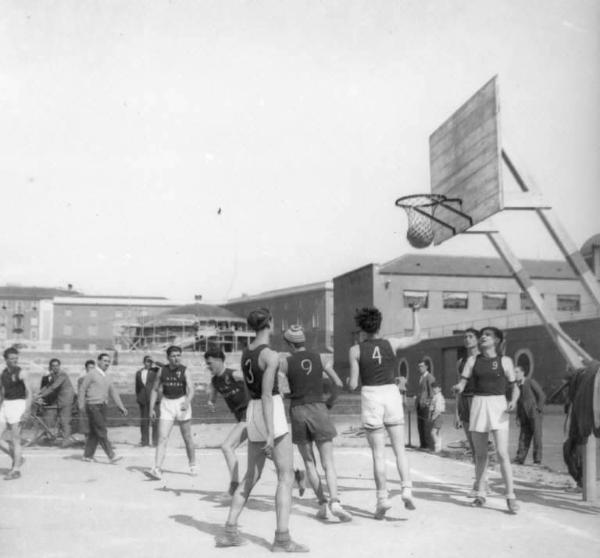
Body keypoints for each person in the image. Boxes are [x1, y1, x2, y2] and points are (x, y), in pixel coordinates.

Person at [216, 308, 308, 552]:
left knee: (250, 478)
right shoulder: (270, 355)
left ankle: (229, 532)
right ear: (270, 323)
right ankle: (282, 539)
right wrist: (270, 432)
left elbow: (254, 390)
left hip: (252, 411)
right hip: (270, 412)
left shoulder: (247, 352)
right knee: (286, 477)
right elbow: (268, 394)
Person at [348, 305, 422, 519]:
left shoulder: (355, 350)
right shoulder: (392, 343)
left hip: (371, 395)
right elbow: (417, 336)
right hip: (391, 393)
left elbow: (353, 384)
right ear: (379, 325)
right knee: (400, 450)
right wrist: (415, 312)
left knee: (378, 454)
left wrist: (348, 382)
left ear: (361, 328)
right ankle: (406, 489)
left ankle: (382, 499)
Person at [280, 324, 352, 522]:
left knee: (309, 461)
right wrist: (329, 402)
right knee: (328, 462)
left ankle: (322, 504)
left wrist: (289, 394)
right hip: (319, 408)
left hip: (297, 409)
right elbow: (338, 384)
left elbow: (278, 390)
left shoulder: (285, 363)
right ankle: (335, 501)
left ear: (289, 343)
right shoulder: (321, 358)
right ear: (304, 341)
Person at [454, 327, 520, 513]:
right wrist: (458, 387)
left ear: (497, 340)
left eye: (488, 335)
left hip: (498, 405)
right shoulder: (472, 360)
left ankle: (510, 496)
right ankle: (481, 493)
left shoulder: (505, 361)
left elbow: (515, 388)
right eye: (482, 334)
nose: (483, 337)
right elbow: (463, 382)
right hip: (478, 404)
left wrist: (513, 401)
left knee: (502, 453)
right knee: (480, 454)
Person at [146, 346, 196, 480]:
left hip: (181, 403)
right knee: (162, 437)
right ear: (168, 358)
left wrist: (187, 402)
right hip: (167, 404)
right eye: (173, 356)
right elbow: (155, 390)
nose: (176, 358)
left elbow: (191, 389)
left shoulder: (185, 371)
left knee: (187, 437)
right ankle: (157, 468)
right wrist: (151, 409)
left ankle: (192, 464)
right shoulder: (162, 371)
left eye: (178, 355)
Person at [205, 346, 249, 496]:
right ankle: (297, 473)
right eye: (207, 364)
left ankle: (234, 485)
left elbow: (256, 382)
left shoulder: (235, 374)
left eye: (210, 363)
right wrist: (211, 402)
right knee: (268, 453)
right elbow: (214, 395)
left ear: (219, 361)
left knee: (227, 446)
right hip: (241, 418)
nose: (208, 367)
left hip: (250, 415)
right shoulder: (215, 381)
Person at [78, 353, 128, 463]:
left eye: (108, 362)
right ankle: (111, 455)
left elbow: (113, 392)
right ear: (99, 361)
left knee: (94, 432)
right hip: (93, 406)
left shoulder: (107, 376)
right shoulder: (92, 374)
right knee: (101, 429)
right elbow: (82, 389)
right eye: (105, 361)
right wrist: (81, 405)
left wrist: (121, 407)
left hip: (103, 406)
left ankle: (87, 455)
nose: (107, 363)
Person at [0, 347, 31, 479]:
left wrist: (27, 410)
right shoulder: (3, 373)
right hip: (5, 405)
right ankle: (18, 458)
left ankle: (16, 469)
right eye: (11, 359)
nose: (14, 361)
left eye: (16, 358)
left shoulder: (22, 372)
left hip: (18, 405)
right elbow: (2, 392)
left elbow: (30, 393)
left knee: (15, 439)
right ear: (5, 359)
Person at [36, 359, 76, 447]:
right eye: (53, 366)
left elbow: (53, 388)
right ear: (50, 367)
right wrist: (38, 393)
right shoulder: (54, 375)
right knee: (58, 419)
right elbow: (48, 386)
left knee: (65, 420)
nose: (55, 367)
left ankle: (66, 441)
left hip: (67, 399)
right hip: (60, 399)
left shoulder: (62, 375)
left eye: (57, 365)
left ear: (59, 366)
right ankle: (53, 436)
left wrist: (40, 396)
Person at [454, 328, 480, 461]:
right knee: (471, 443)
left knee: (479, 440)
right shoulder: (460, 361)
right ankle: (479, 476)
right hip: (464, 401)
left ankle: (483, 475)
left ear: (477, 339)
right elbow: (458, 387)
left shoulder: (482, 358)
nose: (467, 339)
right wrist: (456, 413)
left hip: (477, 400)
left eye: (470, 336)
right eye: (465, 337)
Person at [513, 366, 546, 465]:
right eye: (514, 372)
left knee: (537, 436)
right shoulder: (516, 386)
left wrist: (538, 409)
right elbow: (518, 402)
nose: (515, 374)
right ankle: (520, 458)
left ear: (523, 373)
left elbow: (542, 395)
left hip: (534, 413)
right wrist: (518, 416)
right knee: (523, 436)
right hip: (523, 415)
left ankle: (537, 460)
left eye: (517, 372)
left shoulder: (530, 381)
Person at [135, 356, 160, 447]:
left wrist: (155, 361)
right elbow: (137, 387)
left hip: (154, 399)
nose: (148, 363)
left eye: (150, 362)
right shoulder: (138, 373)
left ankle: (155, 442)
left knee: (155, 421)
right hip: (143, 400)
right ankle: (144, 441)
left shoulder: (155, 371)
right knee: (144, 422)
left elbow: (165, 367)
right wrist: (138, 398)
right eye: (147, 361)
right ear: (144, 362)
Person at [415, 360, 435, 450]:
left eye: (422, 366)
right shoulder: (421, 377)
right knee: (420, 425)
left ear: (427, 367)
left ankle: (429, 446)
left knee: (427, 425)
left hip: (426, 405)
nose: (420, 368)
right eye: (419, 366)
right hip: (420, 404)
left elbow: (432, 392)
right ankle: (422, 445)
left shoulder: (429, 377)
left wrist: (429, 402)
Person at [77, 360, 95, 439]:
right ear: (86, 369)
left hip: (95, 402)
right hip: (86, 403)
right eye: (90, 368)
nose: (91, 369)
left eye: (93, 368)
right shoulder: (81, 379)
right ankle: (87, 440)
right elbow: (80, 393)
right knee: (86, 423)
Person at [429, 383, 445, 453]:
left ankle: (437, 446)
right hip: (436, 415)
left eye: (436, 388)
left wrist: (433, 417)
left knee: (433, 433)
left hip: (438, 416)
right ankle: (438, 449)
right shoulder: (436, 396)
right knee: (436, 432)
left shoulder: (439, 397)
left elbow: (438, 410)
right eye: (433, 388)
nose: (434, 389)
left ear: (440, 389)